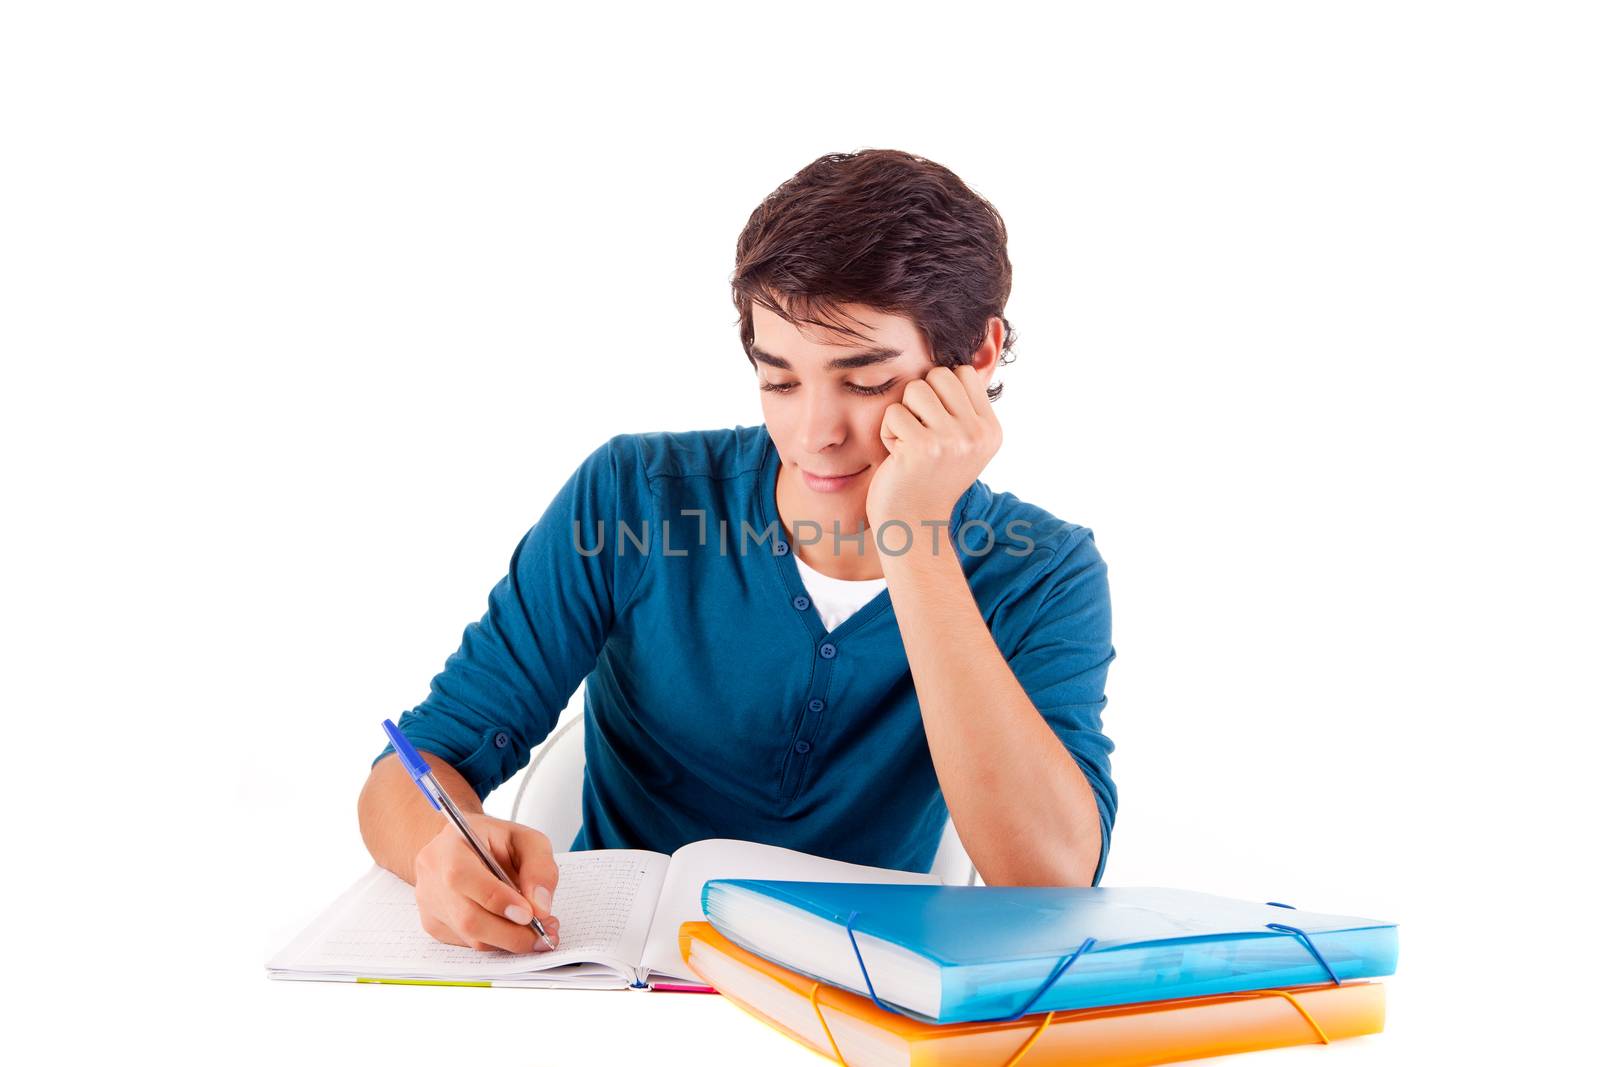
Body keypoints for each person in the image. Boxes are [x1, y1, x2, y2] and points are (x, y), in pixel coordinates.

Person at [357, 148, 1118, 955]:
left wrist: (919, 538)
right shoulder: (636, 495)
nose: (814, 434)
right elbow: (410, 768)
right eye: (779, 380)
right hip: (610, 982)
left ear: (977, 355)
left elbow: (1051, 883)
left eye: (863, 383)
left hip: (861, 1002)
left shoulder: (1042, 570)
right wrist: (440, 849)